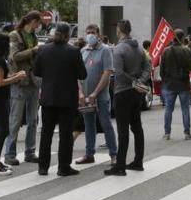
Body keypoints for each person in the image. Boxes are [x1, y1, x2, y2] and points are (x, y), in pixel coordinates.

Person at [32, 23, 86, 177]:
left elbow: (36, 71)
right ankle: (63, 167)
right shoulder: (73, 51)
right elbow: (82, 74)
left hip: (48, 97)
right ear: (68, 35)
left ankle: (43, 167)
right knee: (65, 134)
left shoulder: (43, 49)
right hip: (67, 99)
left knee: (46, 134)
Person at [105, 20, 151, 176]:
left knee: (122, 129)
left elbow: (117, 71)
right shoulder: (139, 48)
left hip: (122, 91)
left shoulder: (119, 49)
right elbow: (147, 67)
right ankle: (138, 161)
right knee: (137, 127)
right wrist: (140, 81)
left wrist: (132, 81)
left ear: (119, 31)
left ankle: (120, 165)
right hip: (137, 92)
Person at [75, 24, 117, 166]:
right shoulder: (83, 51)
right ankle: (89, 154)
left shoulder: (105, 50)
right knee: (88, 125)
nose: (90, 35)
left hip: (101, 96)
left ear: (99, 34)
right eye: (88, 33)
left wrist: (95, 93)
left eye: (93, 32)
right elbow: (78, 75)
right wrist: (80, 92)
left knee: (106, 124)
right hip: (85, 96)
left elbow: (107, 73)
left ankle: (114, 154)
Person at [5, 11, 42, 166]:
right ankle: (9, 154)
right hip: (19, 81)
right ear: (32, 21)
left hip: (33, 81)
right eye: (38, 24)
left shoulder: (33, 36)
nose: (38, 27)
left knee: (33, 119)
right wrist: (33, 51)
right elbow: (14, 56)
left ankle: (30, 152)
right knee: (15, 119)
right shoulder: (15, 35)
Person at [0, 35, 27, 176]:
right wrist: (17, 78)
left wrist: (15, 74)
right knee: (3, 130)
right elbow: (0, 82)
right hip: (0, 98)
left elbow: (2, 79)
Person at [160, 29, 191, 140]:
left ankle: (167, 133)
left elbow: (162, 69)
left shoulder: (166, 51)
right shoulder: (186, 50)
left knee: (168, 109)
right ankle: (187, 133)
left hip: (170, 83)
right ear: (182, 37)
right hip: (183, 83)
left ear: (172, 37)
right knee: (185, 109)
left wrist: (165, 79)